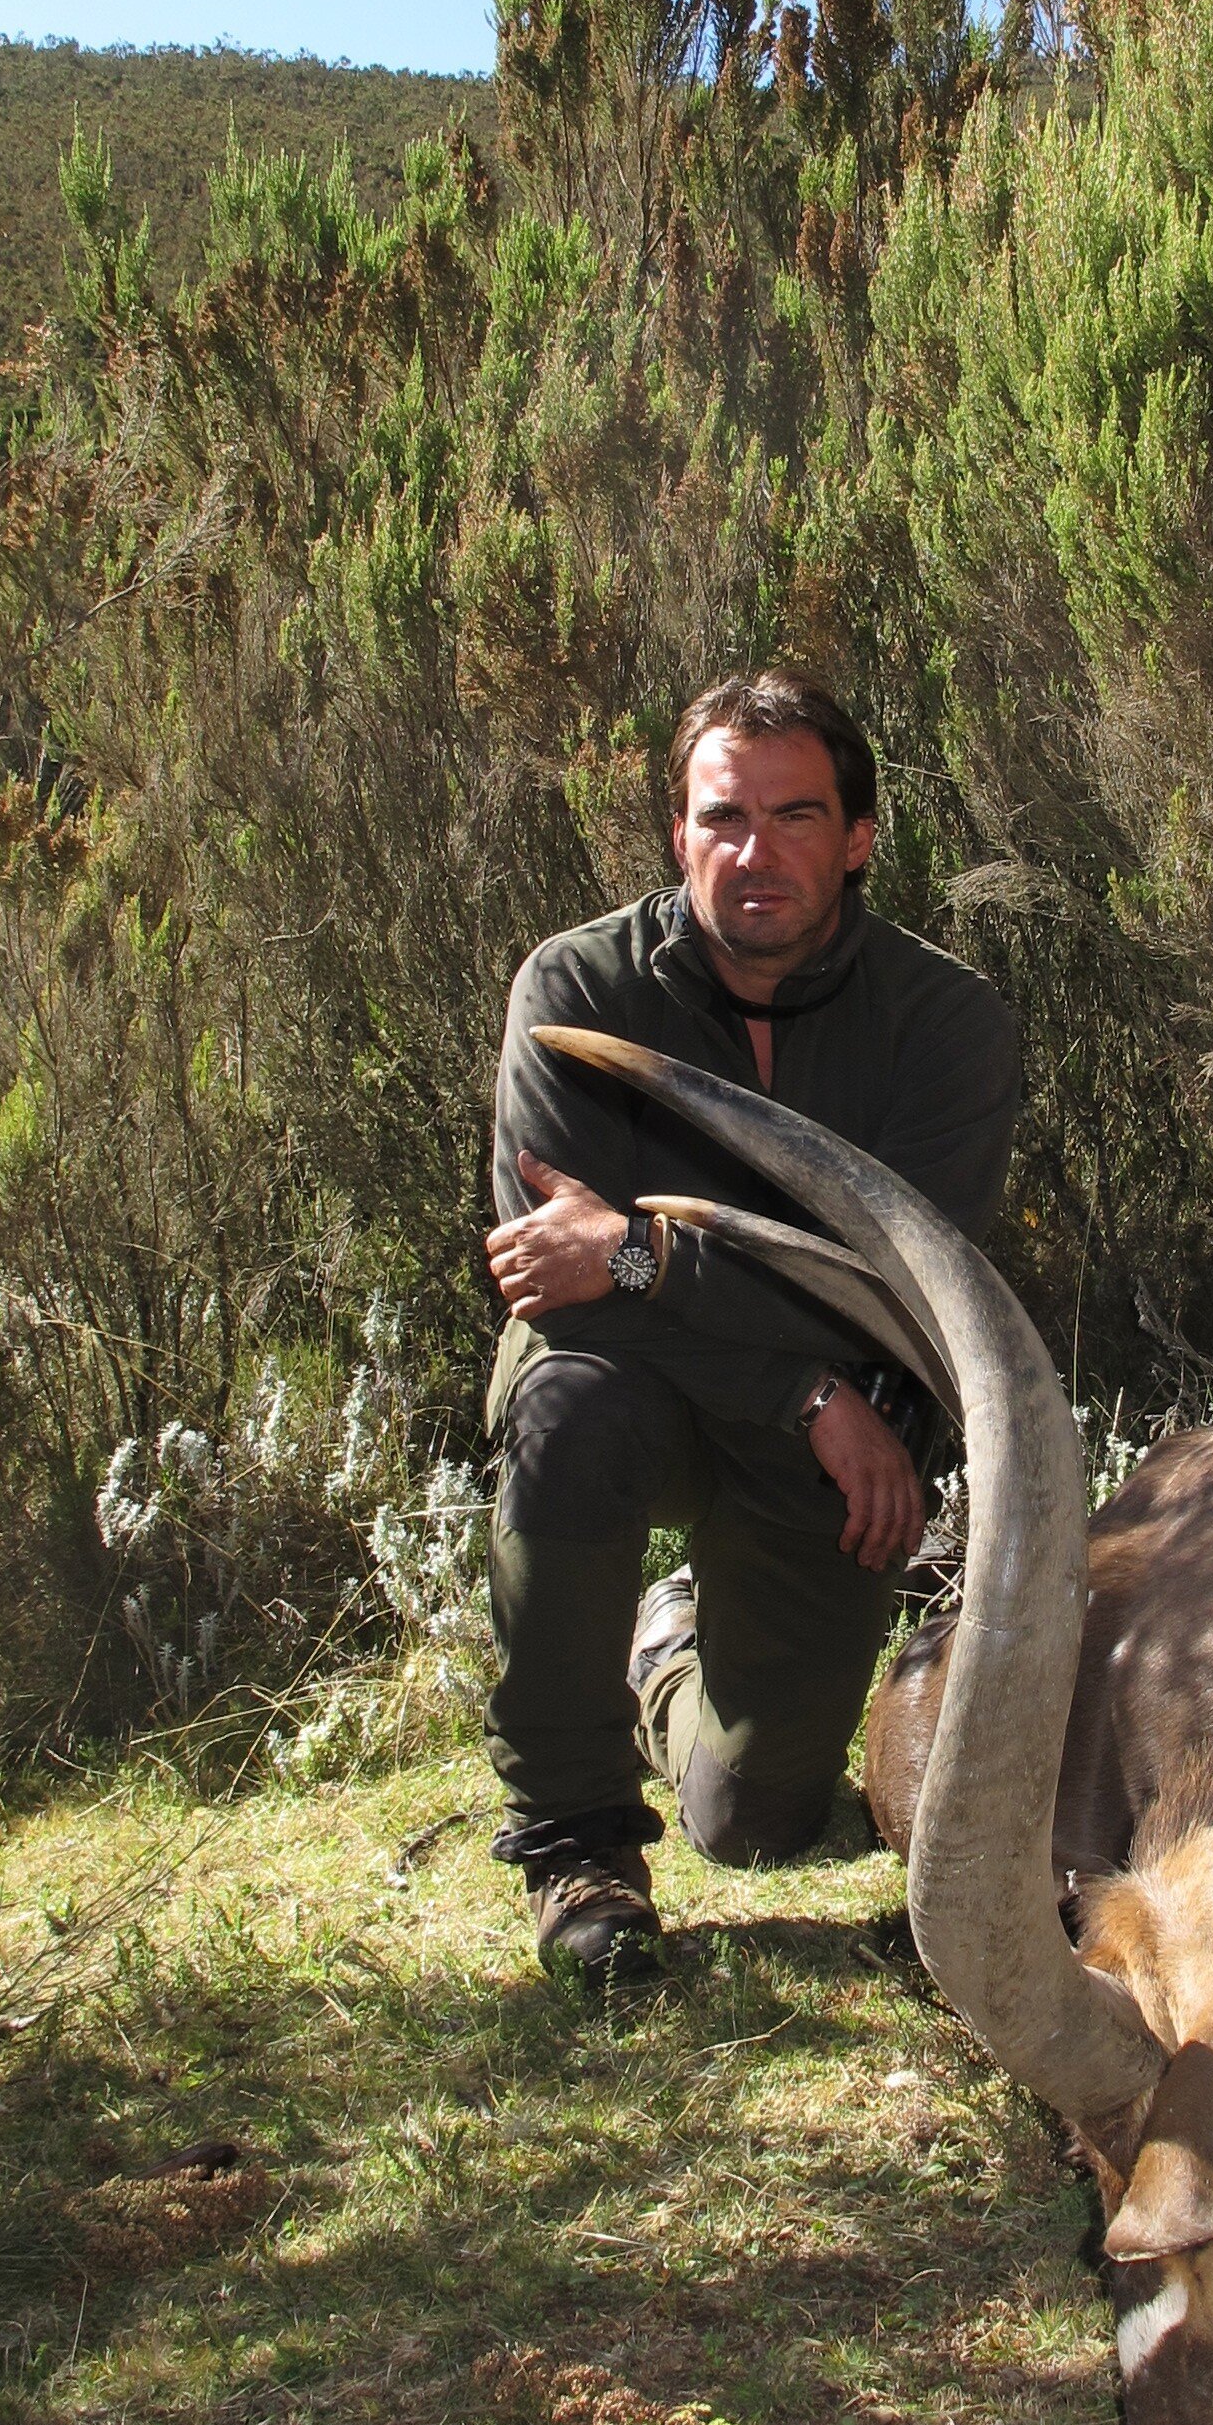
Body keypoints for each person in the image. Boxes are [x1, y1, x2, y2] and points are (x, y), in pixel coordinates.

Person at [480, 667, 1020, 1979]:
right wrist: (812, 1395)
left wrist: (639, 1256)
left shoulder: (944, 1024)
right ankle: (576, 1843)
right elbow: (548, 1279)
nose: (755, 851)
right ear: (678, 834)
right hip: (676, 1396)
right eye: (723, 818)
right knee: (570, 1406)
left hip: (827, 1443)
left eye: (795, 816)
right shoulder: (575, 991)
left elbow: (895, 1285)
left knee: (759, 1822)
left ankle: (667, 1650)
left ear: (858, 839)